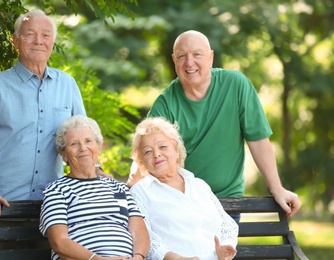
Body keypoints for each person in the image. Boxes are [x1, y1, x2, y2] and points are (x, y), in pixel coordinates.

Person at [127, 30, 300, 221]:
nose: (189, 62)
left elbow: (258, 140)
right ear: (174, 61)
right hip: (181, 203)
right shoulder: (166, 103)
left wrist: (277, 188)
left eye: (197, 54)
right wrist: (129, 189)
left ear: (210, 57)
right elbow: (145, 153)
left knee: (217, 250)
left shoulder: (236, 85)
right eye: (182, 56)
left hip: (226, 203)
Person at [0, 9, 86, 219]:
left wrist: (95, 172)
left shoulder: (68, 84)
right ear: (15, 42)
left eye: (45, 35)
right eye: (29, 34)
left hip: (53, 206)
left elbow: (83, 139)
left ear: (52, 42)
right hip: (1, 205)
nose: (38, 41)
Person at [39, 115, 150, 260]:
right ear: (64, 155)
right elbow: (59, 242)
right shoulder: (57, 190)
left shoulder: (119, 188)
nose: (83, 148)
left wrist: (138, 257)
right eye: (74, 144)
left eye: (88, 141)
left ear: (98, 147)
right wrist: (97, 259)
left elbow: (139, 231)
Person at [129, 117, 238, 260]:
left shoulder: (199, 185)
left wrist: (226, 246)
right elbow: (144, 237)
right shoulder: (140, 192)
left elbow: (227, 225)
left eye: (163, 147)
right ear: (141, 161)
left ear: (177, 151)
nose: (156, 154)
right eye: (148, 151)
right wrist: (172, 257)